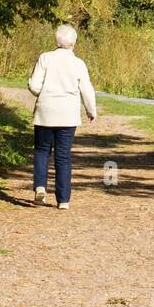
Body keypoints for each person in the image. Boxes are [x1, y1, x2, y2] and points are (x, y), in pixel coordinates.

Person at [27, 24, 97, 210]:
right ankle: (63, 200)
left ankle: (40, 187)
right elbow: (87, 90)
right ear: (73, 43)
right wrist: (91, 110)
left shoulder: (45, 58)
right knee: (63, 155)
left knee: (42, 150)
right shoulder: (78, 64)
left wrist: (44, 94)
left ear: (56, 41)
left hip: (45, 112)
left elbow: (34, 85)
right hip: (68, 115)